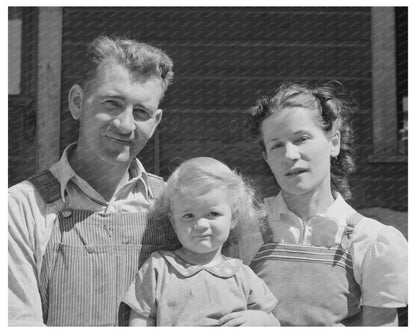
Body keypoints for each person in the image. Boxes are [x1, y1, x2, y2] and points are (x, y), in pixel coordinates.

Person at [8, 35, 181, 326]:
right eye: (112, 103)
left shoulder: (174, 207)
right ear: (77, 102)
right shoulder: (21, 209)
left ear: (156, 122)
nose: (126, 125)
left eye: (141, 112)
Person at [245, 82, 408, 326]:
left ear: (334, 143)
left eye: (301, 139)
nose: (289, 154)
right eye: (276, 145)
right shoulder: (244, 232)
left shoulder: (372, 242)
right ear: (266, 158)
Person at [122, 157, 280, 326]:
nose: (201, 225)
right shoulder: (159, 267)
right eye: (188, 216)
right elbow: (141, 318)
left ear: (233, 218)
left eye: (213, 214)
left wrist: (262, 320)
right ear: (174, 223)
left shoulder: (241, 274)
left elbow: (274, 321)